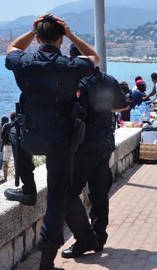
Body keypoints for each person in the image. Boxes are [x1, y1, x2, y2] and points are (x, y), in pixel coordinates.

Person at [4, 14, 98, 269]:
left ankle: (28, 187)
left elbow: (10, 49)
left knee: (13, 132)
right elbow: (94, 58)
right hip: (62, 141)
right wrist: (72, 35)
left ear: (37, 38)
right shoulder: (70, 65)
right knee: (57, 198)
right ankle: (47, 260)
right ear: (60, 39)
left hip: (31, 137)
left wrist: (31, 29)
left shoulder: (24, 62)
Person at [61, 45, 129, 258]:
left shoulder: (79, 83)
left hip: (85, 147)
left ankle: (84, 239)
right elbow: (122, 106)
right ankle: (99, 237)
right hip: (105, 143)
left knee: (67, 194)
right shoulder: (109, 80)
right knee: (100, 194)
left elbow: (74, 115)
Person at [1, 113, 16, 183]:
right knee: (17, 161)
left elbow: (2, 136)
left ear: (10, 118)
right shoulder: (18, 124)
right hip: (16, 145)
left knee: (5, 162)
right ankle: (17, 175)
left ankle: (5, 178)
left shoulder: (6, 125)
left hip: (7, 146)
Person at [0, 116, 9, 183]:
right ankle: (5, 178)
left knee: (3, 163)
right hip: (7, 147)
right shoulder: (9, 126)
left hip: (2, 147)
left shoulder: (1, 127)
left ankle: (5, 179)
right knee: (5, 163)